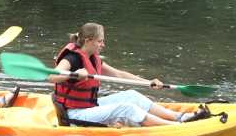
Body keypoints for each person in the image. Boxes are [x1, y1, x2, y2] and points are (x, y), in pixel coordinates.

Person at [48, 23, 211, 127]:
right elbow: (52, 77)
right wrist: (74, 74)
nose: (103, 45)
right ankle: (175, 128)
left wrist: (148, 82)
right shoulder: (72, 58)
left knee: (131, 96)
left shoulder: (91, 57)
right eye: (100, 41)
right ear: (89, 40)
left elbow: (119, 74)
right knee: (126, 108)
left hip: (90, 106)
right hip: (74, 114)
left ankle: (180, 117)